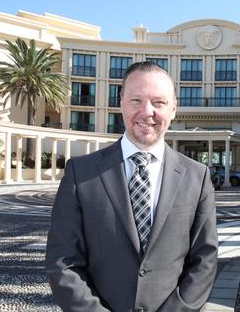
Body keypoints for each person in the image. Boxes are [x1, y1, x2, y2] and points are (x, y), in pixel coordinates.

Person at [46, 61, 218, 312]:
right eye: (136, 100)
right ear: (121, 104)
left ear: (173, 109)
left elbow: (205, 260)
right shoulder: (80, 173)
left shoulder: (197, 176)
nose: (147, 112)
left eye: (158, 102)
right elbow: (63, 262)